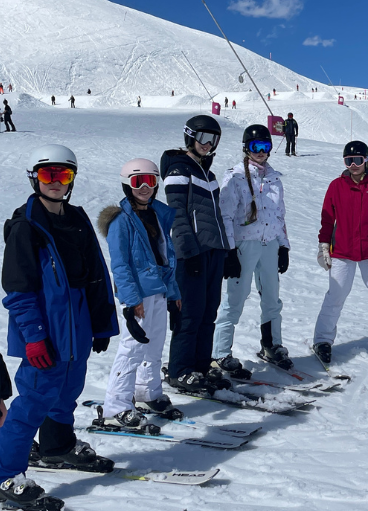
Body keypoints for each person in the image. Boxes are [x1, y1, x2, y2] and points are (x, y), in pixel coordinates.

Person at [0, 145, 118, 510]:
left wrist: (99, 325)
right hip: (46, 328)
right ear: (35, 178)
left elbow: (96, 274)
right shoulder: (25, 225)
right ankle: (6, 474)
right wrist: (34, 338)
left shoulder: (77, 218)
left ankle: (57, 447)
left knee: (67, 392)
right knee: (32, 401)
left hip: (77, 325)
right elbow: (18, 290)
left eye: (63, 175)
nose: (55, 182)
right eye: (48, 174)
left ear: (72, 180)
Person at [98, 159, 183, 428]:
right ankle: (116, 405)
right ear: (127, 185)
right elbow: (120, 265)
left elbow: (165, 257)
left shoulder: (158, 214)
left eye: (150, 180)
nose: (145, 187)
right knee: (132, 348)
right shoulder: (121, 222)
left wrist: (173, 293)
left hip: (158, 290)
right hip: (139, 295)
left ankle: (147, 391)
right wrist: (131, 301)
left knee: (155, 345)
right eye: (137, 182)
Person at [313, 141, 368, 363]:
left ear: (367, 160)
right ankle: (322, 340)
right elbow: (327, 220)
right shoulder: (336, 186)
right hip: (342, 251)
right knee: (335, 295)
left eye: (358, 160)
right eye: (348, 161)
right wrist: (324, 246)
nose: (354, 165)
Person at [213, 125, 291, 377]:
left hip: (269, 244)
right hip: (244, 244)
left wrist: (283, 246)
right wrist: (229, 251)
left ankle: (271, 345)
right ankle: (220, 352)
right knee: (236, 297)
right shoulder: (235, 177)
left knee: (272, 298)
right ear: (246, 148)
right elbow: (225, 215)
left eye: (266, 147)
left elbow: (279, 215)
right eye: (256, 147)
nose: (261, 152)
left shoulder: (273, 178)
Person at [160, 115, 231, 392]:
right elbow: (176, 215)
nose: (207, 144)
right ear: (190, 136)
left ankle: (200, 366)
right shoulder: (179, 170)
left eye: (213, 140)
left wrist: (226, 251)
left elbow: (215, 217)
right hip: (192, 253)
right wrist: (187, 253)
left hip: (213, 252)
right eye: (203, 137)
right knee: (189, 313)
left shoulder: (208, 175)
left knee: (208, 312)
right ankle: (180, 369)